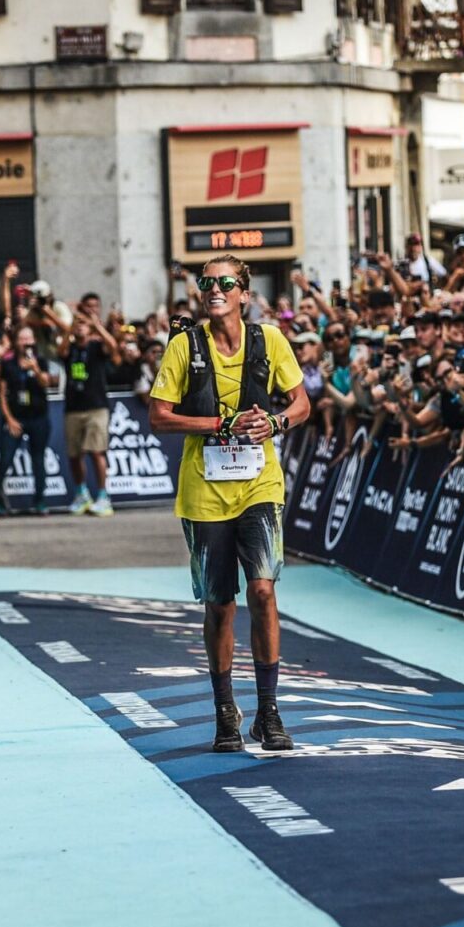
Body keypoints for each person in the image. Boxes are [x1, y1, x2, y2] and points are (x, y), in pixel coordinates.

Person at [147, 256, 309, 754]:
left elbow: (301, 403)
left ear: (244, 291)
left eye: (225, 282)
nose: (214, 289)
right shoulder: (184, 345)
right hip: (204, 491)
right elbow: (159, 416)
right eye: (206, 282)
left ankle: (269, 711)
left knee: (262, 590)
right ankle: (225, 712)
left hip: (260, 485)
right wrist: (219, 426)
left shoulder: (270, 341)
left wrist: (277, 424)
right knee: (220, 604)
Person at [61, 303, 128, 517]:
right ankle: (81, 493)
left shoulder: (96, 347)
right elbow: (60, 350)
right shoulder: (70, 348)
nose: (80, 326)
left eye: (83, 324)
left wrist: (96, 326)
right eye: (77, 323)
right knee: (74, 454)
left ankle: (102, 495)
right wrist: (70, 327)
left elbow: (113, 347)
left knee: (97, 451)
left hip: (96, 407)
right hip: (73, 407)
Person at [0, 326, 57, 515]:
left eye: (29, 339)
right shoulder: (8, 364)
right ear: (16, 342)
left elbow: (46, 383)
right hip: (16, 418)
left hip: (38, 418)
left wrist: (36, 369)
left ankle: (39, 500)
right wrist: (9, 419)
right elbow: (2, 394)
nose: (26, 343)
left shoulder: (40, 361)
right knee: (5, 458)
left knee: (38, 459)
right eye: (22, 339)